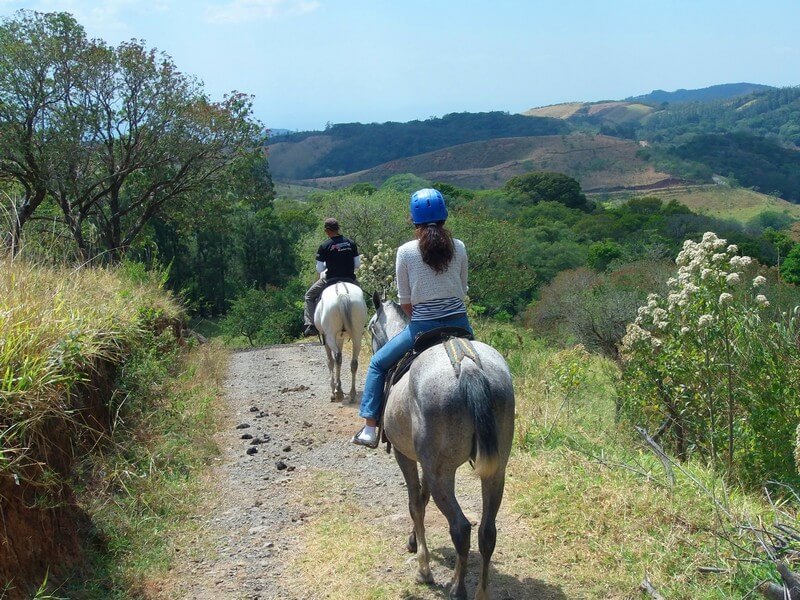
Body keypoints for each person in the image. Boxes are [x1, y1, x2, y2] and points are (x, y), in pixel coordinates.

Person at [352, 188, 472, 447]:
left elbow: (405, 302)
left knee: (377, 364)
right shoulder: (459, 247)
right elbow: (462, 291)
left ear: (413, 219)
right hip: (460, 325)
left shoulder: (405, 252)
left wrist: (421, 319)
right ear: (444, 216)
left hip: (422, 328)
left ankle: (369, 429)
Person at [303, 217, 360, 336]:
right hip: (349, 279)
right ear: (338, 229)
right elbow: (357, 265)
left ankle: (311, 325)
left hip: (330, 279)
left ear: (327, 230)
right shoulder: (351, 243)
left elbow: (319, 269)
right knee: (360, 296)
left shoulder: (324, 246)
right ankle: (361, 322)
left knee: (309, 296)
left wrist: (327, 264)